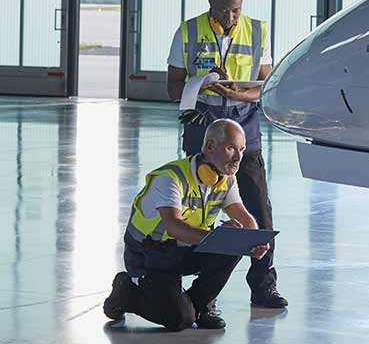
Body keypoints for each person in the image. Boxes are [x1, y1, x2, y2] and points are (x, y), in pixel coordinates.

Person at [165, 0, 288, 309]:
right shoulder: (188, 32)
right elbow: (172, 88)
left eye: (236, 10)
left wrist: (239, 95)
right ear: (210, 2)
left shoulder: (257, 32)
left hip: (243, 131)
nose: (229, 17)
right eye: (222, 10)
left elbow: (266, 87)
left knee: (259, 211)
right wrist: (201, 84)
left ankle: (263, 287)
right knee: (197, 215)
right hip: (203, 131)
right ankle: (204, 296)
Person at [102, 119, 270, 331]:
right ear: (210, 147)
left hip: (183, 250)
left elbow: (243, 216)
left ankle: (200, 306)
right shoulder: (170, 178)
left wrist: (253, 241)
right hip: (150, 256)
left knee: (233, 243)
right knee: (179, 320)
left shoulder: (226, 179)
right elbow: (174, 226)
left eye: (242, 150)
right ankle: (126, 292)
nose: (238, 157)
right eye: (231, 148)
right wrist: (220, 237)